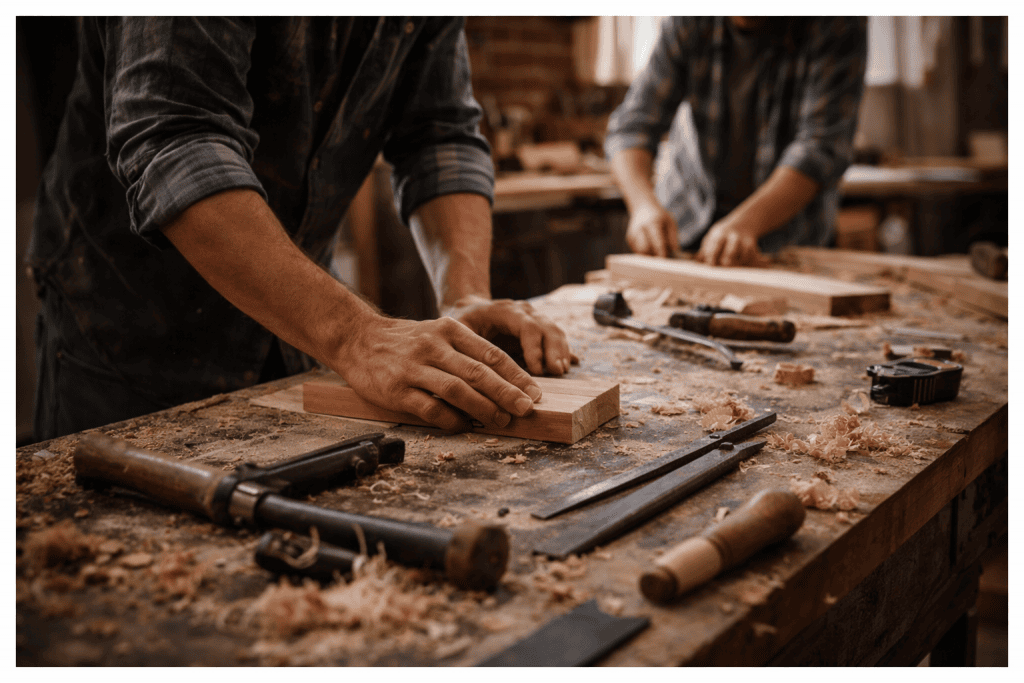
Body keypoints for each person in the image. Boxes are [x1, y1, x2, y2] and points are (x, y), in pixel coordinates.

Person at [28, 17, 577, 441]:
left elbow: (440, 136)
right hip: (129, 333)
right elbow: (177, 138)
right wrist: (354, 334)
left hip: (298, 326)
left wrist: (465, 293)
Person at [605, 17, 867, 266]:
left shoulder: (835, 21)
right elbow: (632, 126)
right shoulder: (690, 18)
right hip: (685, 227)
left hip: (788, 243)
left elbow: (820, 148)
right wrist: (642, 206)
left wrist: (747, 222)